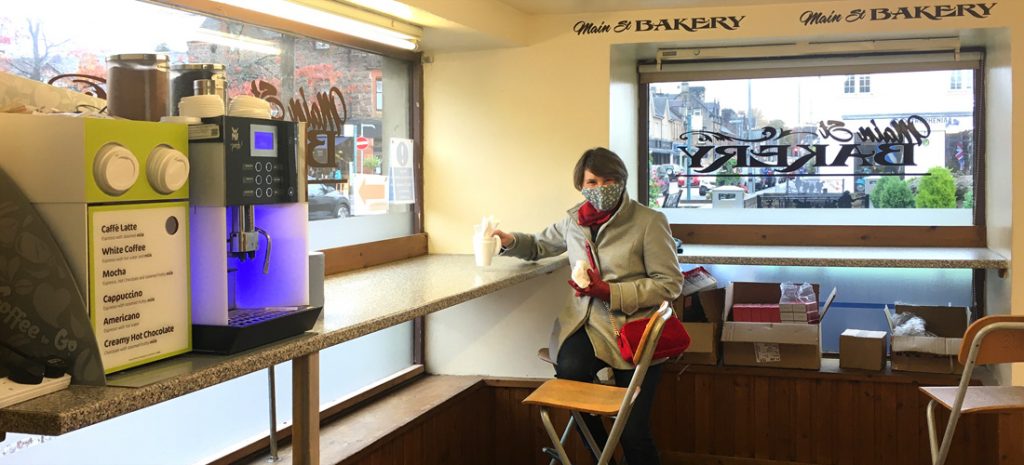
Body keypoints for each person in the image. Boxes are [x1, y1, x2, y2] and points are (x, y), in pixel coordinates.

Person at [492, 147, 683, 465]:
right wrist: (508, 241)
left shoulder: (649, 222)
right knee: (569, 370)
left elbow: (669, 284)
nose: (600, 188)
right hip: (587, 324)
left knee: (633, 430)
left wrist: (610, 291)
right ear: (580, 184)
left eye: (608, 180)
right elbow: (540, 244)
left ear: (621, 181)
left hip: (636, 331)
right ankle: (601, 455)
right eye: (592, 181)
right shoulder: (574, 222)